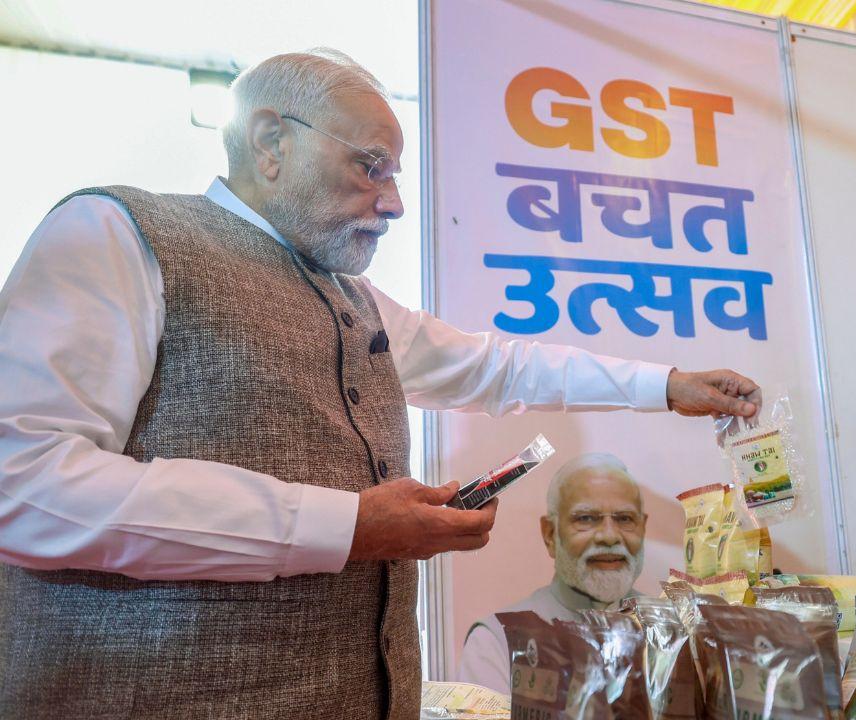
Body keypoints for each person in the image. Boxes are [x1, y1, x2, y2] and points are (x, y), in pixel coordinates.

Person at [0, 50, 761, 720]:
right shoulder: (116, 233)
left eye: (395, 173)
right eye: (371, 165)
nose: (394, 201)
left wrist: (667, 385)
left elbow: (497, 366)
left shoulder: (356, 301)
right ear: (271, 143)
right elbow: (24, 486)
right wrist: (345, 526)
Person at [456, 453, 646, 692]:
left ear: (643, 527)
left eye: (625, 518)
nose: (609, 536)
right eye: (586, 518)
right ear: (550, 534)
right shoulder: (498, 642)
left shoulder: (676, 632)